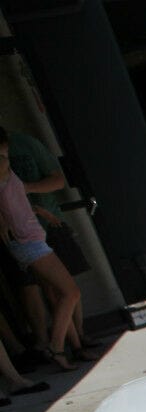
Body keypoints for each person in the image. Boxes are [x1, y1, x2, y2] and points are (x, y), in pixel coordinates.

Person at [0, 126, 79, 371]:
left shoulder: (6, 166)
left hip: (29, 237)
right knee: (70, 292)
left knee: (60, 293)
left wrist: (38, 211)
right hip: (29, 241)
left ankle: (60, 345)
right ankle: (55, 347)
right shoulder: (2, 163)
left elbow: (13, 198)